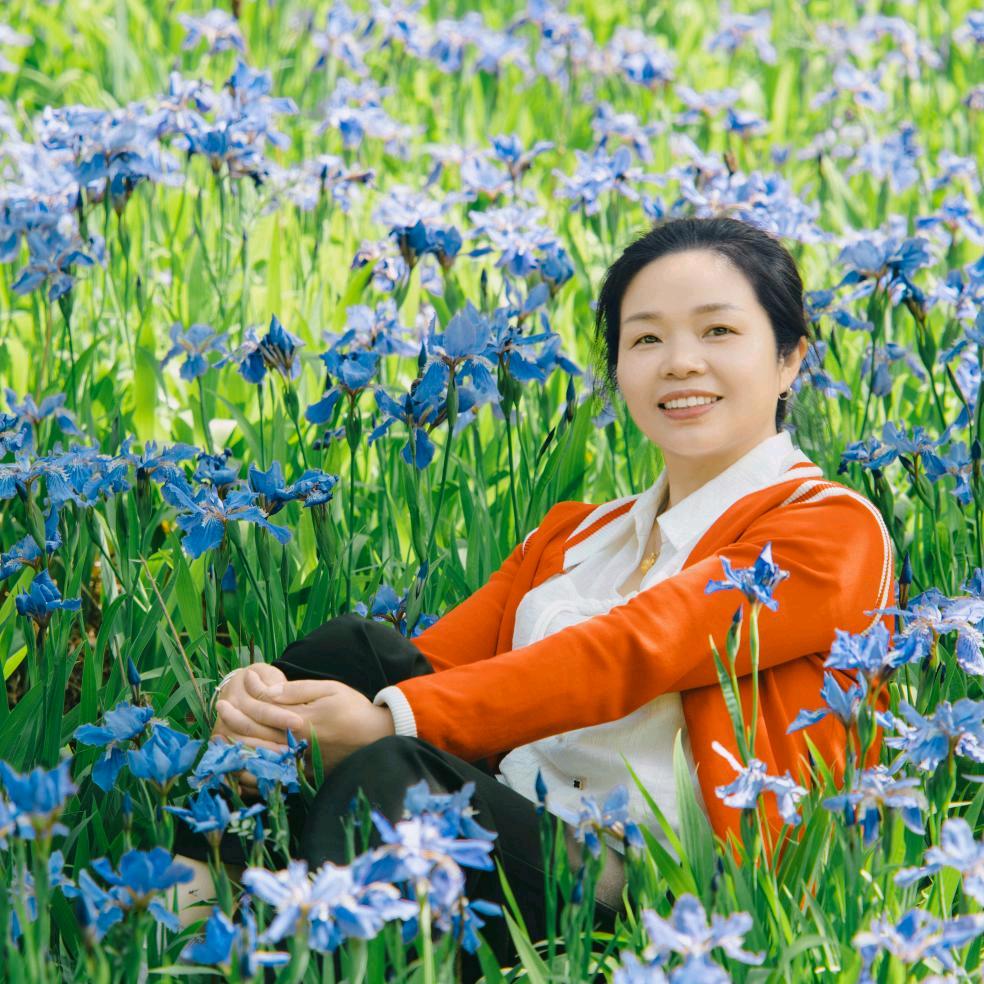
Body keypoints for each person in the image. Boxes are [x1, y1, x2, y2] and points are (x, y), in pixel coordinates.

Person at [173, 216, 894, 975]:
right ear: (618, 368)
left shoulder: (831, 528)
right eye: (645, 339)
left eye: (718, 332)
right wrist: (264, 702)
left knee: (394, 777)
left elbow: (632, 652)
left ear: (789, 360)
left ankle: (298, 957)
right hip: (516, 814)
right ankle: (186, 929)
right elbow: (439, 663)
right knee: (348, 649)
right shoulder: (577, 533)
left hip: (651, 895)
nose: (681, 363)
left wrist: (387, 724)